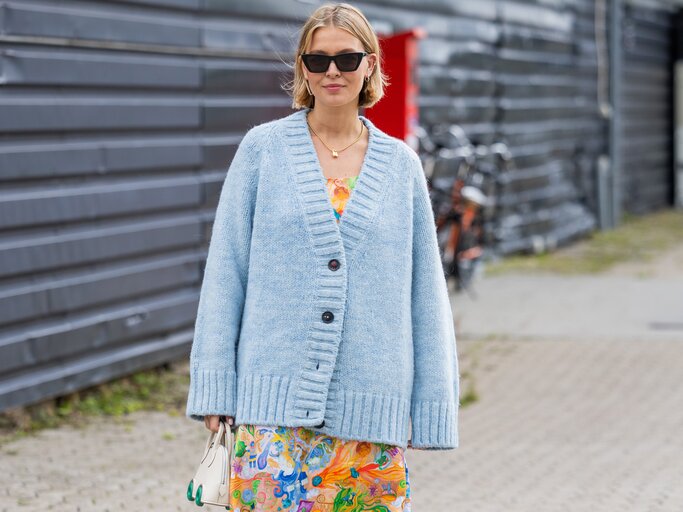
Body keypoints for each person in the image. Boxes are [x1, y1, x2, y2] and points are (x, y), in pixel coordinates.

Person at [186, 3, 459, 511]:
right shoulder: (261, 152)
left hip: (369, 426)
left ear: (371, 66)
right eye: (318, 61)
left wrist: (433, 406)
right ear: (303, 70)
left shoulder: (401, 167)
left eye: (347, 58)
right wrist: (214, 391)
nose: (332, 71)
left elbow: (427, 295)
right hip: (272, 419)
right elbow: (226, 275)